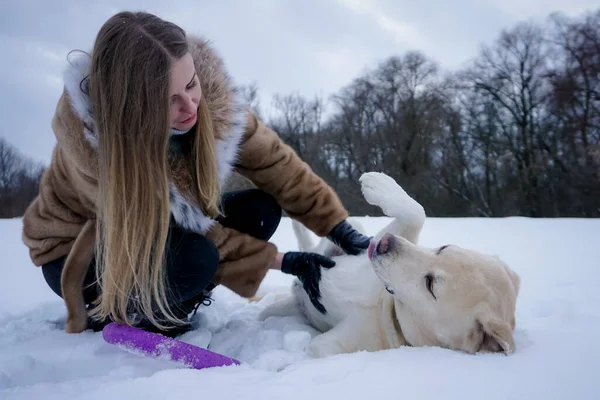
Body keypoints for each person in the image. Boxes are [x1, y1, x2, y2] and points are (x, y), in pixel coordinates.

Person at [21, 11, 370, 336]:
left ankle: (175, 299)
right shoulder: (92, 145)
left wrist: (338, 227)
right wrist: (282, 261)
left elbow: (276, 165)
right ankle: (129, 313)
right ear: (131, 107)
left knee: (259, 210)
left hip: (159, 237)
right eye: (167, 100)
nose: (190, 106)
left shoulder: (212, 104)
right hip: (81, 253)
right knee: (197, 257)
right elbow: (168, 229)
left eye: (190, 85)